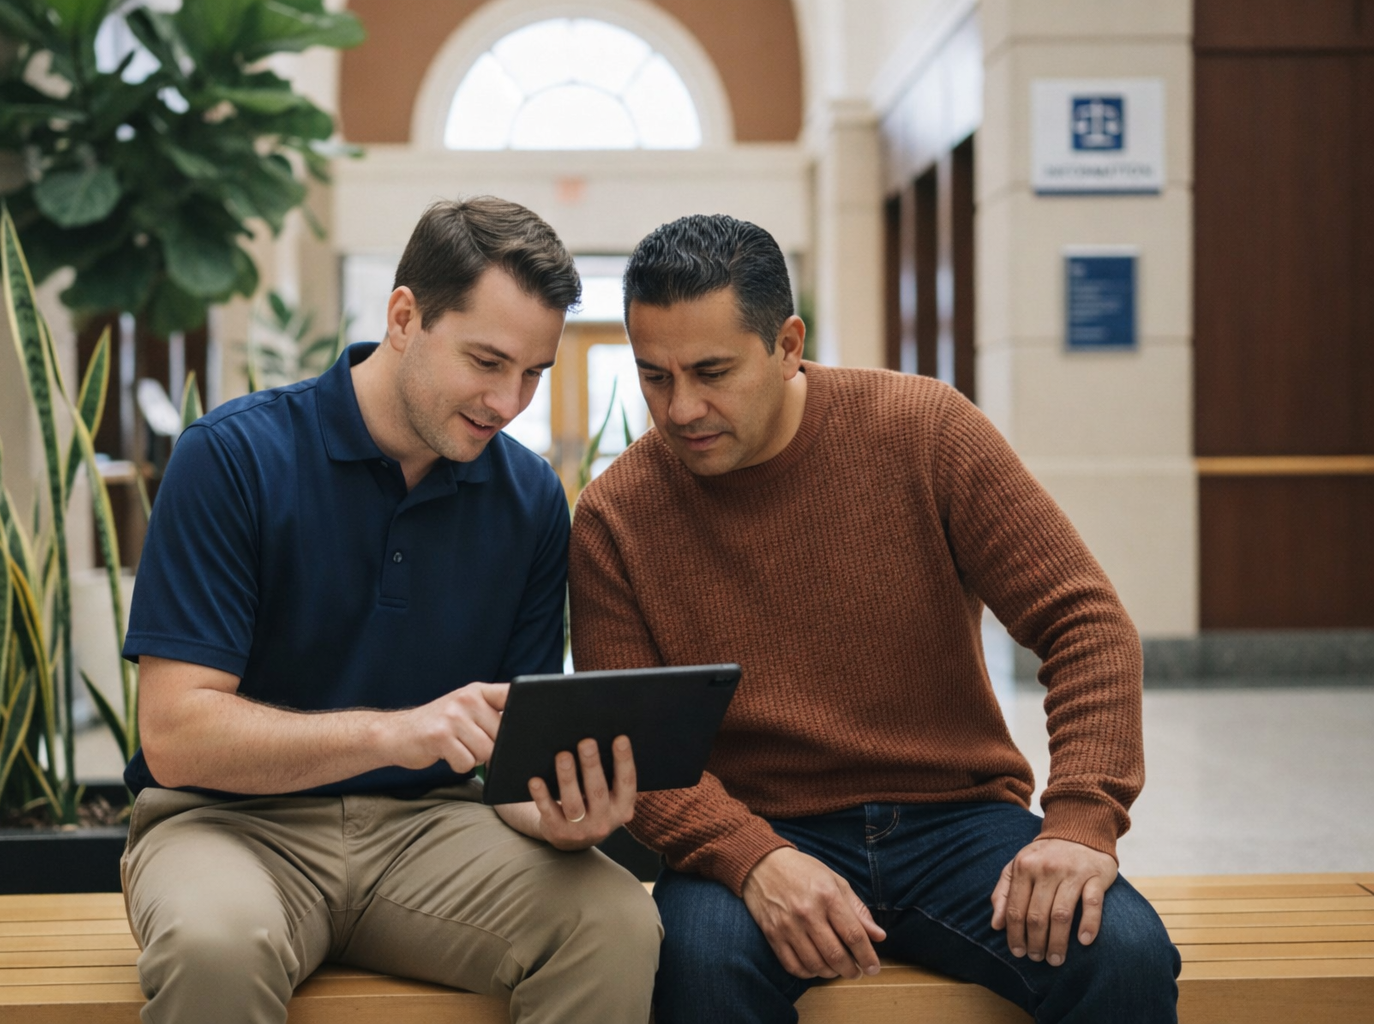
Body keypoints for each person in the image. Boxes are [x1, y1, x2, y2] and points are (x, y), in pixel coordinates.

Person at [568, 213, 1180, 1023]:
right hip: (759, 827)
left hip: (958, 820)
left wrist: (1079, 821)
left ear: (787, 345)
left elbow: (1086, 626)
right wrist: (752, 858)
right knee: (698, 969)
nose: (681, 408)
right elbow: (634, 747)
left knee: (1125, 954)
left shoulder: (923, 430)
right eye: (654, 377)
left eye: (712, 371)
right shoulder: (616, 516)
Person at [119, 197, 660, 1024]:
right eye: (486, 361)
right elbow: (176, 734)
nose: (508, 402)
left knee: (615, 923)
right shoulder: (230, 459)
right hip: (227, 826)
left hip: (431, 831)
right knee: (216, 948)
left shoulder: (530, 501)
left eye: (533, 373)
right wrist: (394, 733)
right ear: (404, 317)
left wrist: (562, 818)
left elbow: (510, 763)